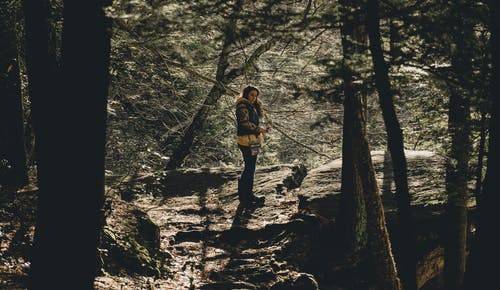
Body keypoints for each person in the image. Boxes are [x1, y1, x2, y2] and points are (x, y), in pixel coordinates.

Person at [235, 86, 268, 207]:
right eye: (252, 95)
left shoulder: (250, 106)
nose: (254, 98)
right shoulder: (242, 106)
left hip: (253, 141)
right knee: (249, 167)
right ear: (246, 94)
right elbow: (244, 124)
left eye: (256, 95)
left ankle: (247, 195)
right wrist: (260, 129)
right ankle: (246, 196)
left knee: (251, 167)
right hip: (246, 141)